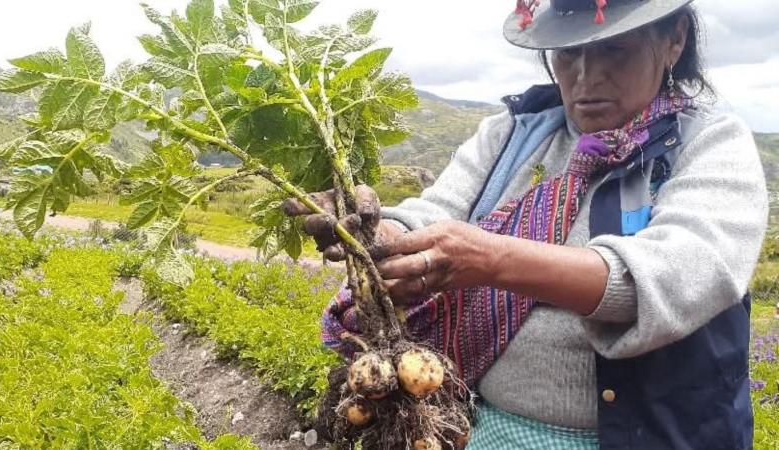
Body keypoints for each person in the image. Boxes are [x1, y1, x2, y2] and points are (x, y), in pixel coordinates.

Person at [285, 0, 768, 448]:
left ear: (674, 39)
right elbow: (437, 213)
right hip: (484, 428)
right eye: (568, 54)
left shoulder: (708, 143)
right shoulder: (512, 135)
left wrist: (494, 260)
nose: (586, 77)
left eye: (614, 50)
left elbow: (683, 273)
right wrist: (373, 230)